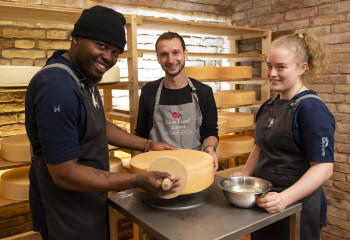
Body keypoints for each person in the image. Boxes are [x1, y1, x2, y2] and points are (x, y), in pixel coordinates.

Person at [25, 6, 180, 240]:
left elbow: (96, 123)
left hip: (88, 199)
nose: (108, 57)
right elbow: (65, 174)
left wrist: (148, 145)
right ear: (76, 38)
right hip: (66, 211)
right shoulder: (57, 87)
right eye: (101, 46)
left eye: (115, 51)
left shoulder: (82, 76)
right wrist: (136, 180)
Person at [232, 31, 335, 240]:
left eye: (281, 67)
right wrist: (244, 176)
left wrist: (284, 198)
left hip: (296, 207)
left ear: (301, 68)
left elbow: (324, 168)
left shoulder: (312, 110)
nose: (272, 73)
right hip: (265, 201)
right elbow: (260, 147)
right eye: (269, 65)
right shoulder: (268, 106)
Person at [134, 31, 219, 171]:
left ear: (185, 54)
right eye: (164, 54)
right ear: (157, 58)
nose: (171, 60)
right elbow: (141, 134)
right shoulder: (149, 91)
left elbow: (210, 131)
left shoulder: (204, 92)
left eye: (175, 53)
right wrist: (137, 168)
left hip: (193, 167)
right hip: (158, 168)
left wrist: (210, 148)